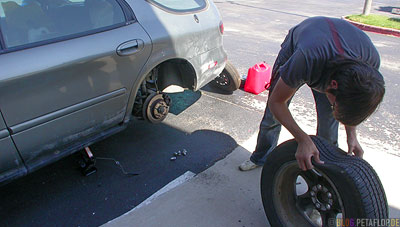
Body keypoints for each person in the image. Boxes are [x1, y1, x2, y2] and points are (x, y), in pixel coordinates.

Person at [239, 16, 385, 171]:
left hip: (332, 48)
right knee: (273, 117)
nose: (333, 106)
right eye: (335, 104)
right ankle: (261, 157)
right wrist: (302, 139)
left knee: (328, 127)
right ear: (333, 85)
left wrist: (352, 135)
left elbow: (353, 105)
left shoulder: (370, 66)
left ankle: (323, 167)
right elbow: (277, 103)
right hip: (303, 44)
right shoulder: (307, 59)